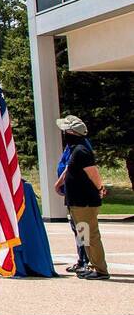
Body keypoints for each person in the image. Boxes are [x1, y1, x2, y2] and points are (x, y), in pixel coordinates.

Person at [54, 115, 109, 280]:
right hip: (76, 201)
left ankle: (101, 270)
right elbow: (69, 169)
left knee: (91, 235)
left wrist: (100, 188)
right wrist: (58, 184)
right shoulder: (74, 150)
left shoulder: (82, 151)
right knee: (83, 235)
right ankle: (91, 264)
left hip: (85, 201)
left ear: (71, 132)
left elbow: (94, 174)